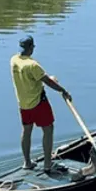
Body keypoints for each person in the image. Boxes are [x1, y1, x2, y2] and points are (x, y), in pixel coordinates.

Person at [11, 35, 70, 172]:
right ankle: (47, 164)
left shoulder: (14, 60)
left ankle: (27, 163)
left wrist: (48, 79)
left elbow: (33, 78)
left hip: (23, 104)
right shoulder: (33, 65)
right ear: (32, 47)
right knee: (48, 129)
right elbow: (48, 82)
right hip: (38, 102)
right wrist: (63, 90)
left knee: (26, 130)